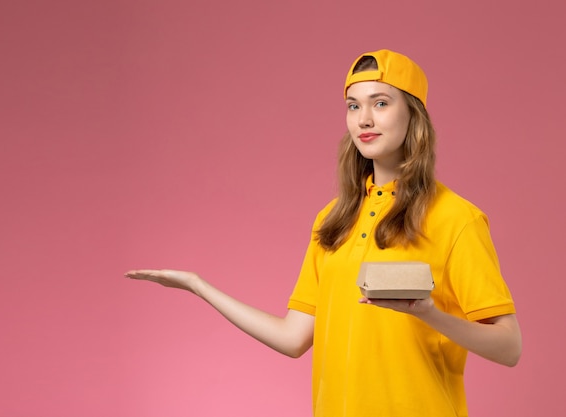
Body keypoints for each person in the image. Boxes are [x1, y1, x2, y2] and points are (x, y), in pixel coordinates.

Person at [126, 49, 522, 417]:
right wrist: (199, 286)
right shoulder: (332, 220)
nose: (363, 119)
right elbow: (294, 338)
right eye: (354, 106)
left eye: (381, 103)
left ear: (413, 114)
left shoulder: (457, 218)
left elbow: (509, 347)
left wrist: (429, 314)